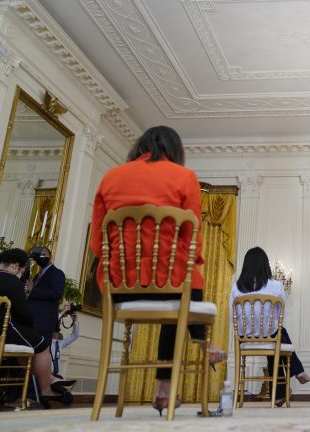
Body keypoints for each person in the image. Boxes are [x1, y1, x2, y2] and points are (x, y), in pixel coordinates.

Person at [90, 125, 226, 415]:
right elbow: (194, 240)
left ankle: (166, 384)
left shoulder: (110, 177)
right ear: (174, 150)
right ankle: (190, 357)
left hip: (119, 290)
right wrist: (189, 262)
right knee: (186, 287)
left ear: (140, 146)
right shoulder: (184, 177)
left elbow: (97, 245)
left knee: (178, 297)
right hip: (172, 285)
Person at [229, 247, 310, 406]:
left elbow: (232, 316)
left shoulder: (236, 287)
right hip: (271, 336)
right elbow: (281, 312)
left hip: (244, 339)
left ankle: (281, 392)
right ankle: (296, 373)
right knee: (279, 334)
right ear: (265, 265)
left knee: (278, 338)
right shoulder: (276, 286)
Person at [0, 248, 72, 407]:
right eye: (21, 270)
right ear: (14, 266)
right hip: (1, 331)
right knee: (41, 346)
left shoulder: (56, 274)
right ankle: (47, 388)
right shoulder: (10, 279)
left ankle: (49, 379)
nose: (20, 274)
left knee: (25, 346)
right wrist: (30, 327)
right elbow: (24, 312)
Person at [25, 246, 64, 349]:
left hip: (43, 322)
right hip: (31, 320)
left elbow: (56, 294)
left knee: (39, 353)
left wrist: (33, 289)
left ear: (50, 256)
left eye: (44, 255)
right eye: (38, 255)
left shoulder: (57, 273)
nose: (41, 257)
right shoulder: (38, 275)